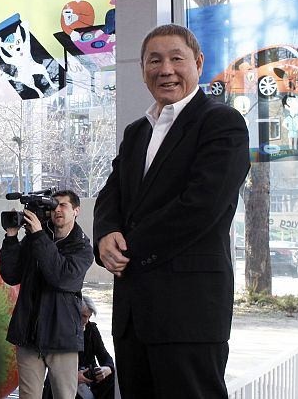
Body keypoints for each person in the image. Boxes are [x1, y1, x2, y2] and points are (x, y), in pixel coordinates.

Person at [93, 24, 250, 398]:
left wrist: (126, 246)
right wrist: (104, 235)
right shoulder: (137, 132)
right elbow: (110, 195)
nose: (166, 69)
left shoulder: (221, 123)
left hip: (189, 312)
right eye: (154, 60)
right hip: (133, 314)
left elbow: (201, 206)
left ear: (197, 62)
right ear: (143, 69)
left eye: (176, 58)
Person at [0, 190, 93, 399]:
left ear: (76, 210)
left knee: (64, 396)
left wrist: (39, 235)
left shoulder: (83, 247)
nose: (57, 209)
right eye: (53, 205)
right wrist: (12, 237)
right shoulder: (35, 237)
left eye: (63, 205)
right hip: (28, 335)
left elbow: (62, 278)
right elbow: (11, 275)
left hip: (62, 337)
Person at [42, 296, 114, 399]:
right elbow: (54, 364)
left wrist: (107, 369)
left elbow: (105, 356)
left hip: (89, 375)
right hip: (65, 377)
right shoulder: (62, 331)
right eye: (83, 316)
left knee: (113, 380)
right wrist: (74, 376)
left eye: (89, 317)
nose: (86, 321)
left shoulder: (91, 330)